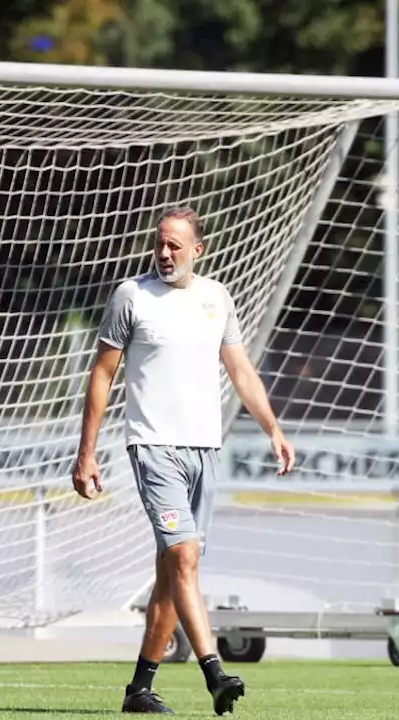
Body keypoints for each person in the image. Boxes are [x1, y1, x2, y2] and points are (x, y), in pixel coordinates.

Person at [71, 206, 295, 716]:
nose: (165, 252)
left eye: (175, 245)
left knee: (173, 572)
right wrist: (86, 452)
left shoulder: (217, 298)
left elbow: (240, 370)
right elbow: (102, 374)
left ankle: (139, 692)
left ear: (198, 248)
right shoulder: (132, 296)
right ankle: (214, 672)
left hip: (205, 451)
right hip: (153, 449)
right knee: (185, 559)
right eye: (160, 243)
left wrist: (273, 429)